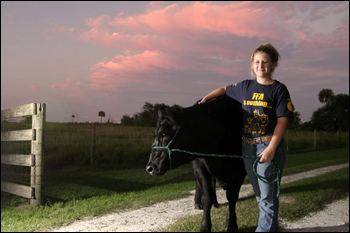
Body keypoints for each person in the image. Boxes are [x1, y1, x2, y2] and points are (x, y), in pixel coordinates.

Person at [198, 43, 294, 232]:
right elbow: (224, 89)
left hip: (267, 145)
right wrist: (206, 99)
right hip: (247, 147)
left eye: (265, 61)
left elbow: (283, 120)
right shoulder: (245, 87)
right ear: (252, 64)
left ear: (273, 64)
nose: (260, 65)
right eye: (257, 61)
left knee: (267, 196)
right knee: (260, 195)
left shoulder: (279, 90)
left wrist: (272, 148)